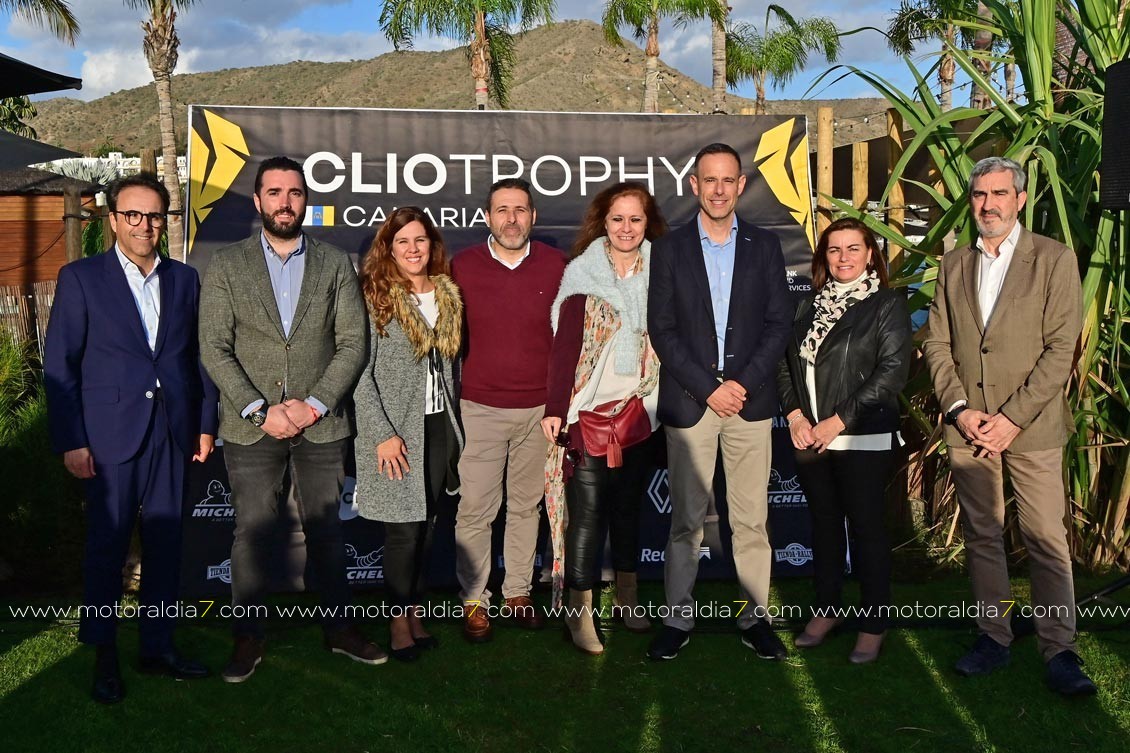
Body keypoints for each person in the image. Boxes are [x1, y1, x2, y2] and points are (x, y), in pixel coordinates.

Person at [198, 155, 383, 683]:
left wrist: (315, 404)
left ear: (306, 201)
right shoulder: (228, 265)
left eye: (295, 192)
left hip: (321, 425)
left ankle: (340, 629)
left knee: (327, 532)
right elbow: (214, 346)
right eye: (274, 192)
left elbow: (353, 343)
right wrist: (259, 409)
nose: (285, 201)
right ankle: (249, 636)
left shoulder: (334, 263)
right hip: (250, 425)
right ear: (258, 202)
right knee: (253, 532)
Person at [921, 156, 1095, 696]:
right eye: (979, 194)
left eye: (999, 193)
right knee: (983, 537)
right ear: (970, 200)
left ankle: (1059, 648)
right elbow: (937, 344)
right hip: (969, 428)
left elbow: (1060, 348)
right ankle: (994, 637)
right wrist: (959, 409)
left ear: (1020, 199)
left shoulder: (1054, 258)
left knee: (1045, 538)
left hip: (1032, 428)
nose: (989, 204)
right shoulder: (952, 265)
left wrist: (1012, 419)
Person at [44, 173, 218, 704]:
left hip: (172, 434)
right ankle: (103, 654)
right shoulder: (81, 278)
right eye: (134, 215)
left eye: (155, 216)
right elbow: (60, 365)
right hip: (107, 438)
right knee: (107, 550)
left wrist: (205, 421)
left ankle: (157, 646)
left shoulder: (186, 280)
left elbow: (198, 358)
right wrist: (72, 439)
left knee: (166, 549)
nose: (145, 226)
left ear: (165, 221)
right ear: (114, 219)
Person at [646, 142, 793, 661]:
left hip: (749, 407)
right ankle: (677, 617)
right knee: (686, 520)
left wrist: (742, 385)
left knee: (751, 521)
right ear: (694, 186)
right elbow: (661, 330)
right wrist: (709, 387)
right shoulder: (668, 249)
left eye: (728, 180)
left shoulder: (766, 246)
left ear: (741, 186)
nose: (718, 189)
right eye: (709, 180)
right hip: (692, 405)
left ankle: (756, 617)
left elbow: (778, 326)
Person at [776, 218, 911, 664]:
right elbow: (785, 364)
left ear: (871, 254)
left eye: (854, 249)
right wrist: (795, 414)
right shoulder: (809, 306)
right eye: (834, 250)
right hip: (811, 438)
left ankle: (874, 622)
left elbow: (892, 371)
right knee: (825, 527)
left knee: (867, 530)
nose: (844, 258)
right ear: (823, 257)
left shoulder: (886, 304)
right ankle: (827, 608)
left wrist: (838, 420)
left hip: (862, 438)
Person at [541, 182, 668, 654]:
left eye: (635, 219)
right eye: (618, 219)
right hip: (588, 417)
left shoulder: (665, 271)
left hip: (643, 414)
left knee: (629, 513)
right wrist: (556, 410)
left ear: (646, 223)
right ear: (603, 222)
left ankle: (629, 601)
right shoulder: (583, 275)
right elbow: (564, 350)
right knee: (589, 518)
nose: (626, 228)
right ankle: (580, 614)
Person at [450, 178, 567, 642]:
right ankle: (474, 600)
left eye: (520, 210)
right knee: (476, 508)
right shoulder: (462, 267)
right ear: (487, 218)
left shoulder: (560, 266)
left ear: (533, 217)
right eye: (502, 210)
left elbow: (571, 339)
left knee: (526, 506)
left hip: (539, 410)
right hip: (479, 407)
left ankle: (517, 592)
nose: (512, 219)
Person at [353, 207, 464, 662]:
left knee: (428, 526)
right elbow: (358, 372)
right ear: (388, 248)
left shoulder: (447, 294)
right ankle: (397, 623)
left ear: (431, 245)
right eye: (402, 242)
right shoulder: (374, 295)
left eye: (420, 240)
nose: (413, 249)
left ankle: (415, 614)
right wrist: (382, 432)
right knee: (402, 532)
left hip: (439, 427)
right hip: (396, 429)